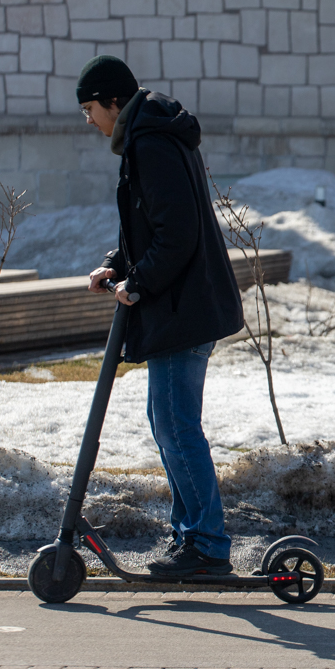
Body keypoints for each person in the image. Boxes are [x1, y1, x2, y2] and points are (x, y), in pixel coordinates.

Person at [77, 54, 245, 578]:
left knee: (176, 426)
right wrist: (117, 265)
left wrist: (139, 282)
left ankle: (207, 545)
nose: (88, 121)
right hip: (184, 305)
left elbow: (178, 235)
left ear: (112, 102)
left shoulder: (150, 143)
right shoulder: (151, 135)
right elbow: (152, 227)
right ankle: (189, 537)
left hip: (181, 309)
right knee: (168, 423)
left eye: (89, 109)